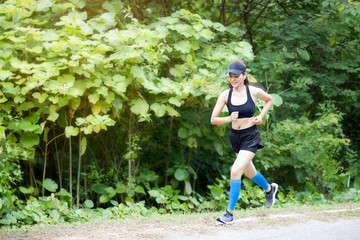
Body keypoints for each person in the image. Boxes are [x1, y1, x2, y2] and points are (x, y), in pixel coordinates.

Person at [210, 60, 278, 224]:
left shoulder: (253, 91)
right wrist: (228, 118)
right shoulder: (225, 95)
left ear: (244, 76)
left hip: (250, 136)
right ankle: (270, 189)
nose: (233, 80)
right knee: (249, 172)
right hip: (235, 137)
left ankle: (229, 213)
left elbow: (269, 100)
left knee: (235, 171)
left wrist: (260, 116)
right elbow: (213, 119)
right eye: (231, 76)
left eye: (236, 76)